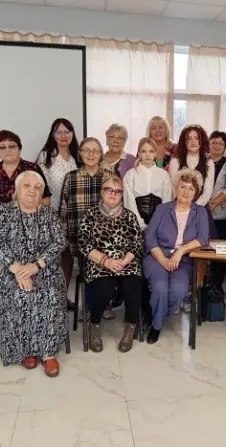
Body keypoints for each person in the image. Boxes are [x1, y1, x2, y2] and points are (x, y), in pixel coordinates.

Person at [0, 171, 67, 377]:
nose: (32, 191)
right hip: (9, 270)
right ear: (17, 189)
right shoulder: (3, 212)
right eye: (27, 186)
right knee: (18, 294)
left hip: (43, 268)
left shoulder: (49, 214)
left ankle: (48, 352)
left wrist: (36, 266)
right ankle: (24, 350)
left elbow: (59, 241)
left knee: (49, 294)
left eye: (37, 187)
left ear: (41, 192)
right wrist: (17, 270)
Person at [143, 169, 210, 344]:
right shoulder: (162, 209)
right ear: (176, 188)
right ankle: (156, 327)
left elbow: (203, 238)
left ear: (196, 193)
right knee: (160, 288)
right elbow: (150, 237)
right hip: (158, 256)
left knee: (178, 291)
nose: (186, 191)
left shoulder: (200, 212)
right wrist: (163, 260)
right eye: (182, 187)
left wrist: (181, 251)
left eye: (190, 189)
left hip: (184, 260)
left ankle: (156, 317)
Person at [79, 176, 144, 353]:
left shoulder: (129, 216)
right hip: (99, 262)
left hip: (126, 262)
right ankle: (94, 326)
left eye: (117, 191)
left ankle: (130, 327)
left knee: (133, 287)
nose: (113, 194)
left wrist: (124, 261)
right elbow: (84, 244)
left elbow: (137, 243)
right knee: (103, 289)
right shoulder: (90, 215)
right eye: (109, 190)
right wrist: (106, 261)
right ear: (102, 192)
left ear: (122, 195)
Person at [59, 137, 116, 318]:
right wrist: (63, 237)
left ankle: (103, 304)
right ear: (80, 154)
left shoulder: (109, 176)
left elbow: (118, 207)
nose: (91, 154)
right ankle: (91, 305)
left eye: (95, 151)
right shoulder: (71, 177)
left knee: (105, 270)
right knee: (87, 271)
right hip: (79, 238)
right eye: (87, 150)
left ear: (101, 155)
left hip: (106, 238)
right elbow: (63, 210)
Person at [0, 130, 51, 255]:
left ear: (19, 148)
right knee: (1, 267)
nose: (7, 150)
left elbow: (45, 199)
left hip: (30, 234)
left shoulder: (32, 169)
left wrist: (43, 228)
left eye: (12, 146)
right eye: (2, 147)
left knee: (28, 266)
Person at [37, 118, 79, 310]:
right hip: (52, 214)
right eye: (58, 132)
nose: (63, 135)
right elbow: (40, 186)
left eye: (67, 131)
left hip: (73, 215)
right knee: (52, 256)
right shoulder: (46, 156)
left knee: (68, 256)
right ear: (52, 135)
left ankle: (63, 297)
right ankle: (50, 298)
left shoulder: (77, 155)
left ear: (72, 134)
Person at [123, 137, 173, 230]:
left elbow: (167, 202)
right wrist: (141, 226)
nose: (147, 155)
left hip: (159, 226)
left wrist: (156, 226)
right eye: (143, 151)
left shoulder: (164, 175)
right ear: (139, 153)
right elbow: (129, 203)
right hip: (135, 225)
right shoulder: (130, 175)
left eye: (151, 151)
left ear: (155, 153)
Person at [208, 131, 226, 291]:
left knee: (220, 252)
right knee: (203, 250)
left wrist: (214, 202)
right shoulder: (203, 162)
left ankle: (217, 287)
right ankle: (202, 285)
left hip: (222, 215)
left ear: (225, 146)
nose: (217, 146)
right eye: (214, 142)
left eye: (221, 143)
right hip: (202, 213)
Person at [168, 124, 215, 206]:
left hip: (200, 207)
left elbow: (207, 192)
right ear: (184, 142)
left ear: (202, 140)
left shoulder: (209, 163)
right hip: (178, 206)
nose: (193, 142)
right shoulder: (175, 161)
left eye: (197, 138)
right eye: (189, 139)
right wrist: (182, 207)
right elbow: (173, 189)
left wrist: (193, 208)